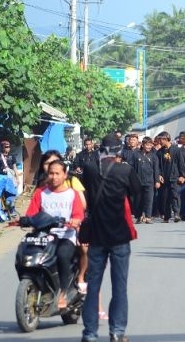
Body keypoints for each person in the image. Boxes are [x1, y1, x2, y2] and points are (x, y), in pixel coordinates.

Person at [80, 134, 141, 342]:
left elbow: (86, 189)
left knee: (93, 286)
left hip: (97, 236)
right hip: (120, 235)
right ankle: (117, 332)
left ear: (100, 150)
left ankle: (89, 333)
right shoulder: (125, 170)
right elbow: (137, 192)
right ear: (119, 151)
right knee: (119, 286)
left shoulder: (90, 169)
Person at [24, 159, 84, 310]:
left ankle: (63, 293)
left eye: (57, 173)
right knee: (27, 253)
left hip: (66, 235)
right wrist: (25, 221)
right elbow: (31, 214)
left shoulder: (72, 194)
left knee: (62, 255)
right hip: (43, 236)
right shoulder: (40, 193)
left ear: (65, 175)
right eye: (51, 173)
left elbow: (78, 214)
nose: (54, 177)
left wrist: (74, 221)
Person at [156, 131, 185, 223]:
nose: (160, 142)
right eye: (159, 140)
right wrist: (159, 175)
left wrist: (183, 175)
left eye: (161, 139)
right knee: (165, 197)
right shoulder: (159, 152)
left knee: (175, 196)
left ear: (166, 139)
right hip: (164, 177)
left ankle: (177, 214)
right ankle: (166, 216)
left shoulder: (177, 150)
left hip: (175, 176)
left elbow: (182, 163)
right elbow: (157, 166)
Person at [133, 137, 160, 224]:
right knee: (138, 200)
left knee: (149, 199)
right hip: (138, 181)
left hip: (150, 181)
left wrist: (157, 181)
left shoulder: (153, 156)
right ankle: (139, 216)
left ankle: (148, 216)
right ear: (143, 145)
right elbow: (132, 168)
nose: (149, 147)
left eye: (150, 145)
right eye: (147, 145)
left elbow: (156, 169)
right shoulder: (136, 155)